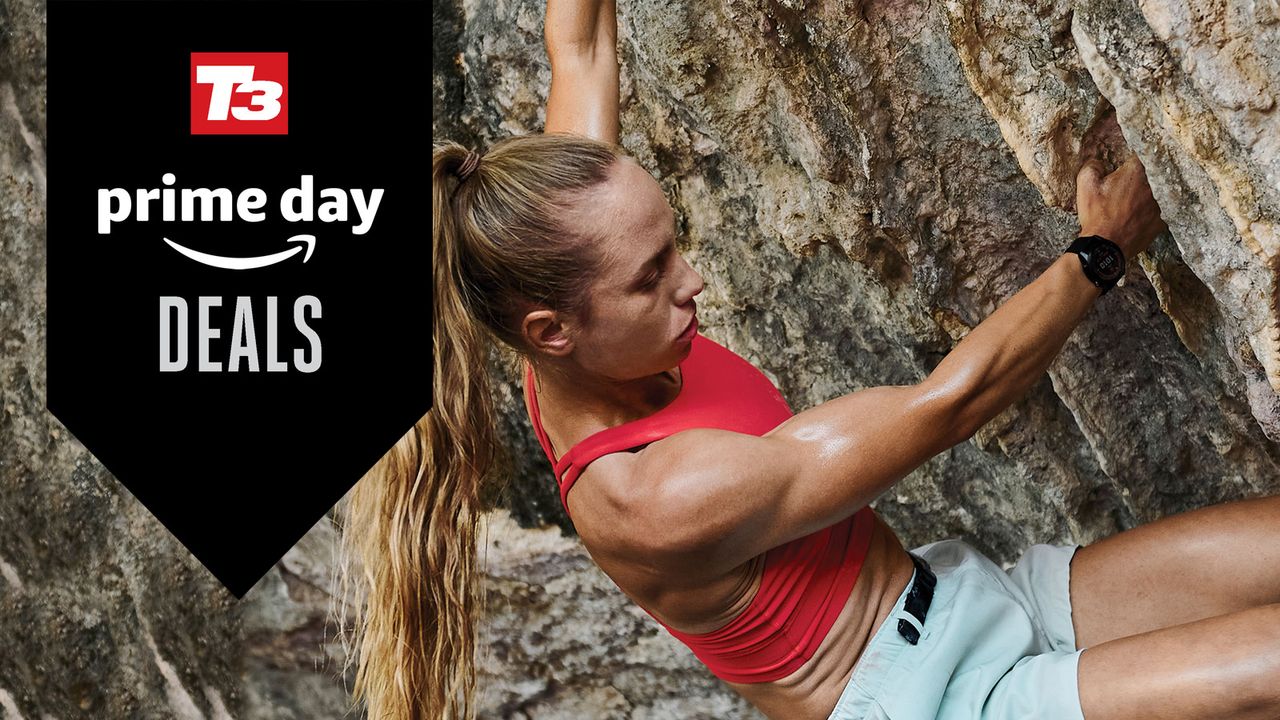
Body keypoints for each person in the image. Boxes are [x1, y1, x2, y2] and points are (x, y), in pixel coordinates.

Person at [343, 0, 1280, 718]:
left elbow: (579, 46)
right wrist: (1099, 250)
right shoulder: (651, 498)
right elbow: (947, 405)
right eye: (653, 276)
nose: (694, 282)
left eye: (673, 243)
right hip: (940, 702)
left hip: (970, 596)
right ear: (552, 330)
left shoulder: (574, 247)